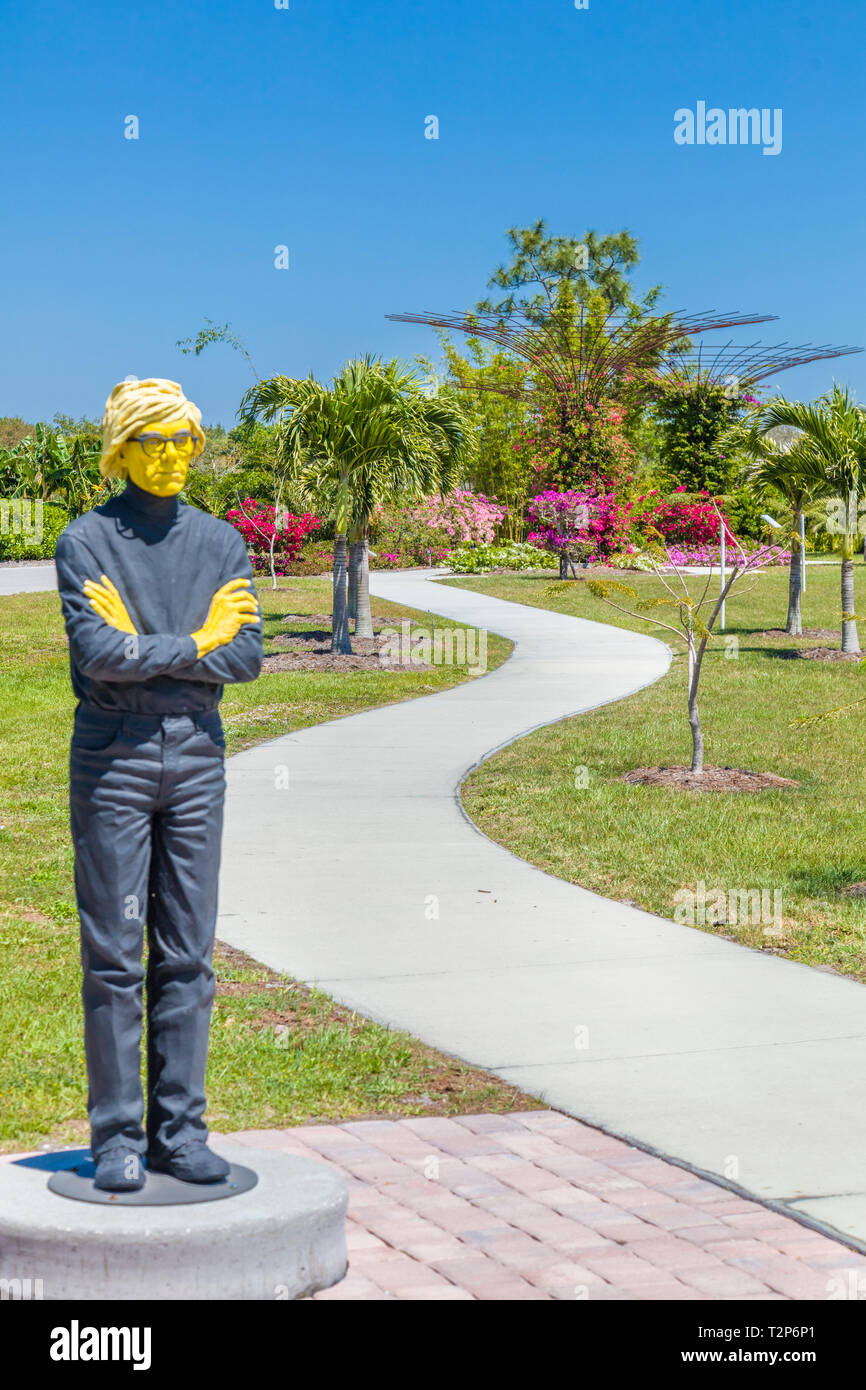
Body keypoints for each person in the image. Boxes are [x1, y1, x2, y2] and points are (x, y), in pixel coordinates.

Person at [55, 377, 263, 1192]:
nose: (173, 455)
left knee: (189, 953)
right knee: (112, 954)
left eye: (184, 440)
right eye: (155, 441)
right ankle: (116, 1140)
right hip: (116, 757)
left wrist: (160, 646)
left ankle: (180, 1134)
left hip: (199, 760)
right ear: (122, 448)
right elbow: (98, 657)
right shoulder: (86, 543)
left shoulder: (219, 543)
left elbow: (244, 658)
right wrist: (198, 640)